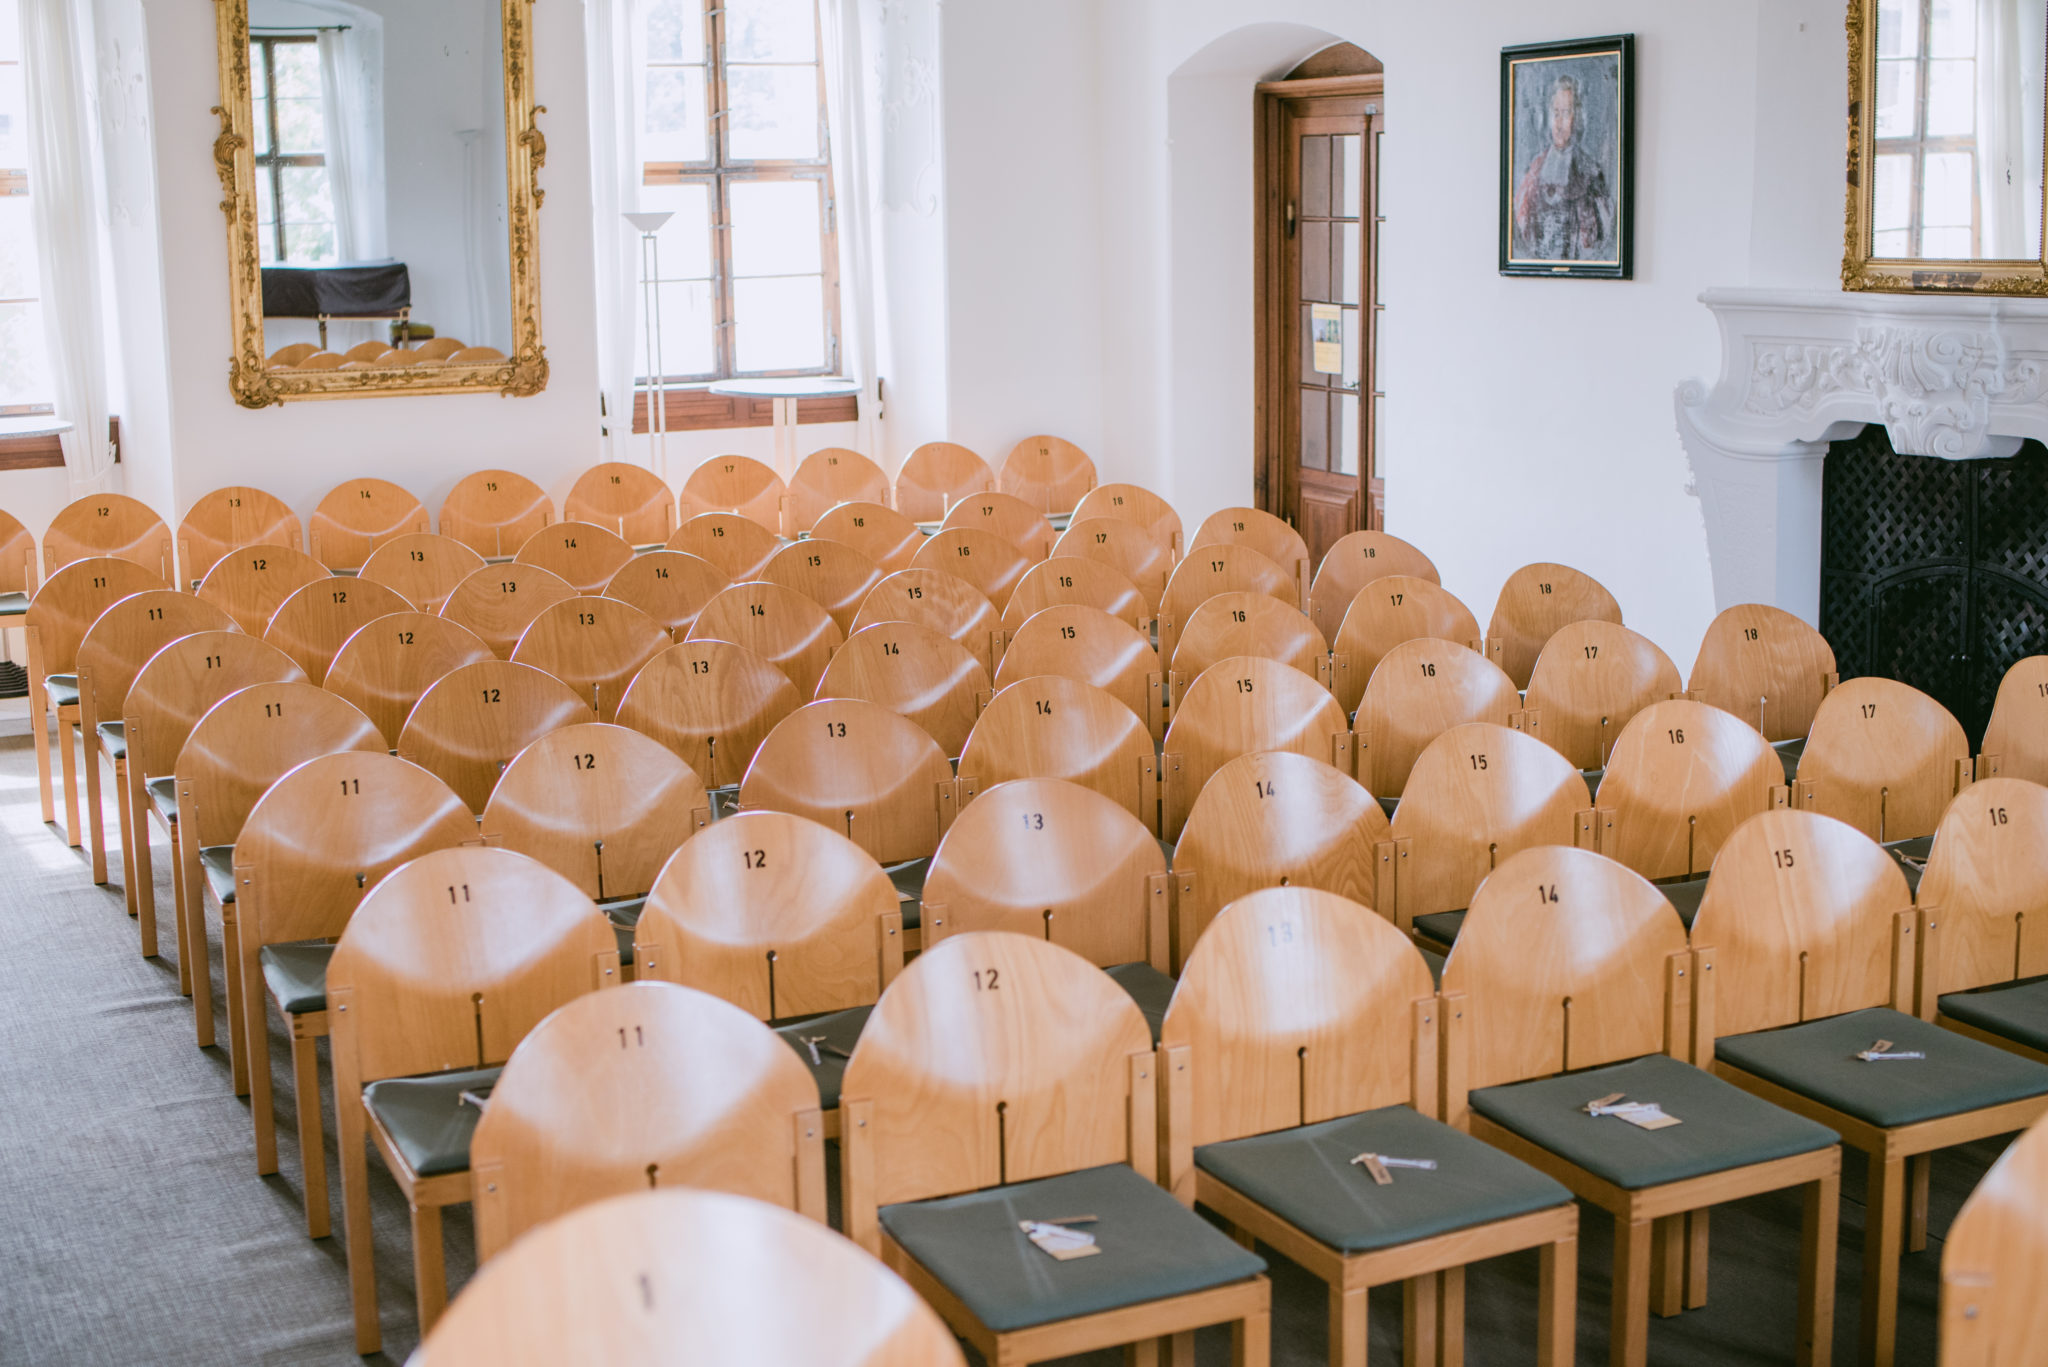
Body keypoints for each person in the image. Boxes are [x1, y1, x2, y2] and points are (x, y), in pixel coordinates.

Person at [1514, 73, 1612, 261]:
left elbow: (1599, 239)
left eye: (1566, 113)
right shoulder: (1535, 170)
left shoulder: (1591, 173)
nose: (1559, 124)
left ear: (1577, 117)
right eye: (1555, 113)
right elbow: (1522, 228)